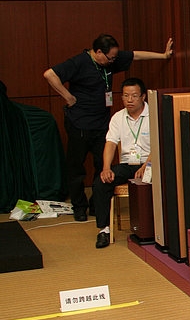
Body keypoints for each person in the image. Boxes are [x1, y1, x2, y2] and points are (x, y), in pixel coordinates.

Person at [43, 33, 173, 222]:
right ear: (98, 52)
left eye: (114, 58)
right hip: (79, 123)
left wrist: (163, 55)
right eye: (110, 58)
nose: (113, 61)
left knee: (102, 166)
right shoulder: (79, 62)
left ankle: (96, 205)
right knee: (76, 168)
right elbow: (49, 74)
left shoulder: (110, 60)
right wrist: (68, 97)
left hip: (102, 122)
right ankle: (79, 207)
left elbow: (135, 55)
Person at [92, 77, 151, 248]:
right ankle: (104, 230)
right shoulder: (118, 117)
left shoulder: (153, 114)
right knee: (101, 182)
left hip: (150, 163)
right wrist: (106, 168)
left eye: (134, 96)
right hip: (127, 164)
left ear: (143, 97)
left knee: (152, 178)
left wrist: (146, 166)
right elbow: (110, 143)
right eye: (126, 96)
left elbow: (159, 144)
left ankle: (150, 228)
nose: (129, 100)